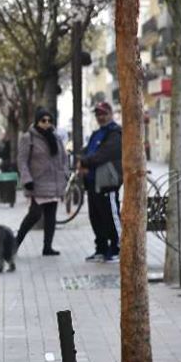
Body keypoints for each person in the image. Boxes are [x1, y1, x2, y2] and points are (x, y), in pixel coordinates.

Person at [15, 108, 68, 256]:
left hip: (54, 182)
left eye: (49, 120)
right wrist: (27, 179)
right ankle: (15, 244)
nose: (47, 123)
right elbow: (22, 160)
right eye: (43, 120)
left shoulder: (56, 137)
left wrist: (65, 174)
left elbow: (63, 158)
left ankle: (47, 247)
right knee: (34, 215)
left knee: (51, 216)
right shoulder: (28, 138)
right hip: (37, 183)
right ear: (37, 121)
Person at [79, 101, 122, 263]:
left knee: (111, 215)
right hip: (92, 182)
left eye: (103, 113)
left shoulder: (115, 133)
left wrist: (84, 162)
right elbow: (88, 151)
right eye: (98, 114)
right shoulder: (96, 133)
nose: (100, 117)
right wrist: (81, 160)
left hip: (107, 182)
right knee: (95, 217)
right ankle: (101, 248)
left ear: (111, 114)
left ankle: (117, 248)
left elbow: (104, 154)